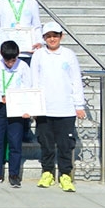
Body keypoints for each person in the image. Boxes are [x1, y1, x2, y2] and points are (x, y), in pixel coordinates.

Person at [32, 21, 86, 192]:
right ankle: (47, 172)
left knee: (65, 144)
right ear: (44, 38)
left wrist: (79, 105)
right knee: (46, 143)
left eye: (55, 36)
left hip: (66, 108)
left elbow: (76, 80)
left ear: (61, 36)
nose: (52, 39)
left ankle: (65, 174)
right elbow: (34, 80)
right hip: (45, 108)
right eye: (48, 36)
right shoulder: (39, 55)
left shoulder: (68, 55)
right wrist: (34, 104)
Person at [0, 40, 32, 187]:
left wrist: (27, 109)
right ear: (1, 55)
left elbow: (28, 88)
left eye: (13, 60)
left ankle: (14, 174)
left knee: (15, 142)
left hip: (16, 108)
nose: (10, 63)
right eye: (7, 60)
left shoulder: (23, 66)